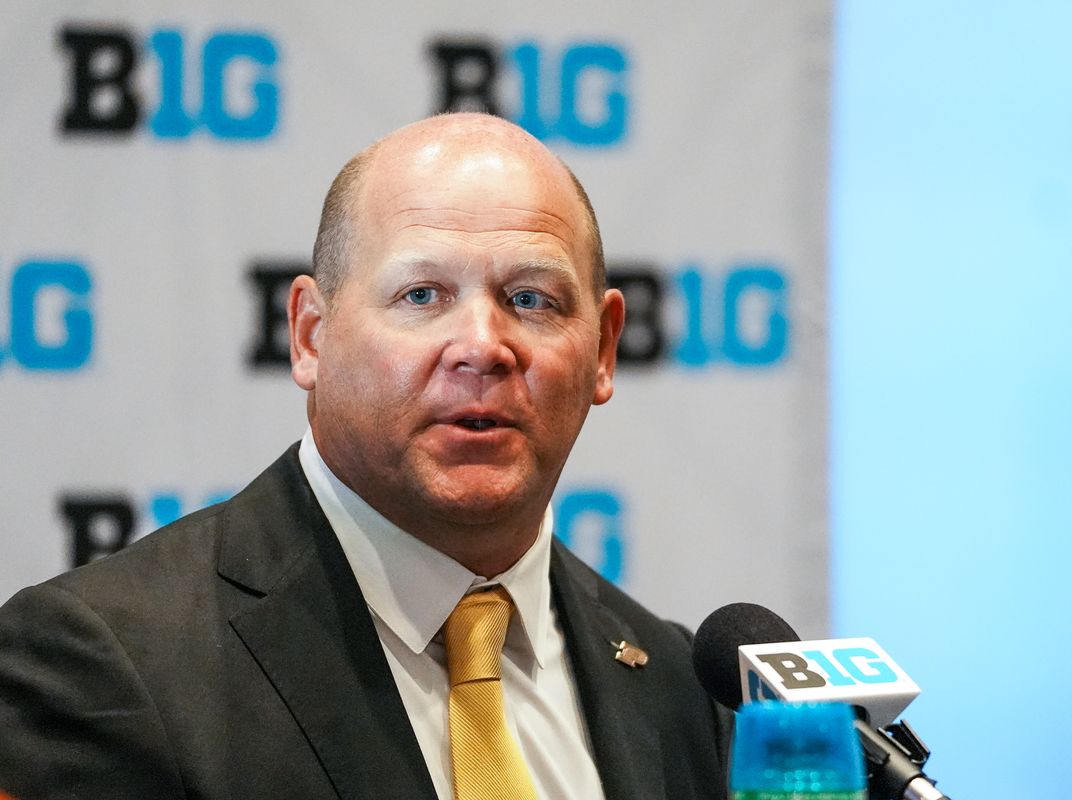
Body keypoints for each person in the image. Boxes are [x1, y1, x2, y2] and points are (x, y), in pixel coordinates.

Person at [0, 113, 730, 799]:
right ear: (310, 335)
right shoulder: (105, 662)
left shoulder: (686, 692)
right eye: (422, 295)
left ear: (603, 349)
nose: (483, 346)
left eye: (532, 300)